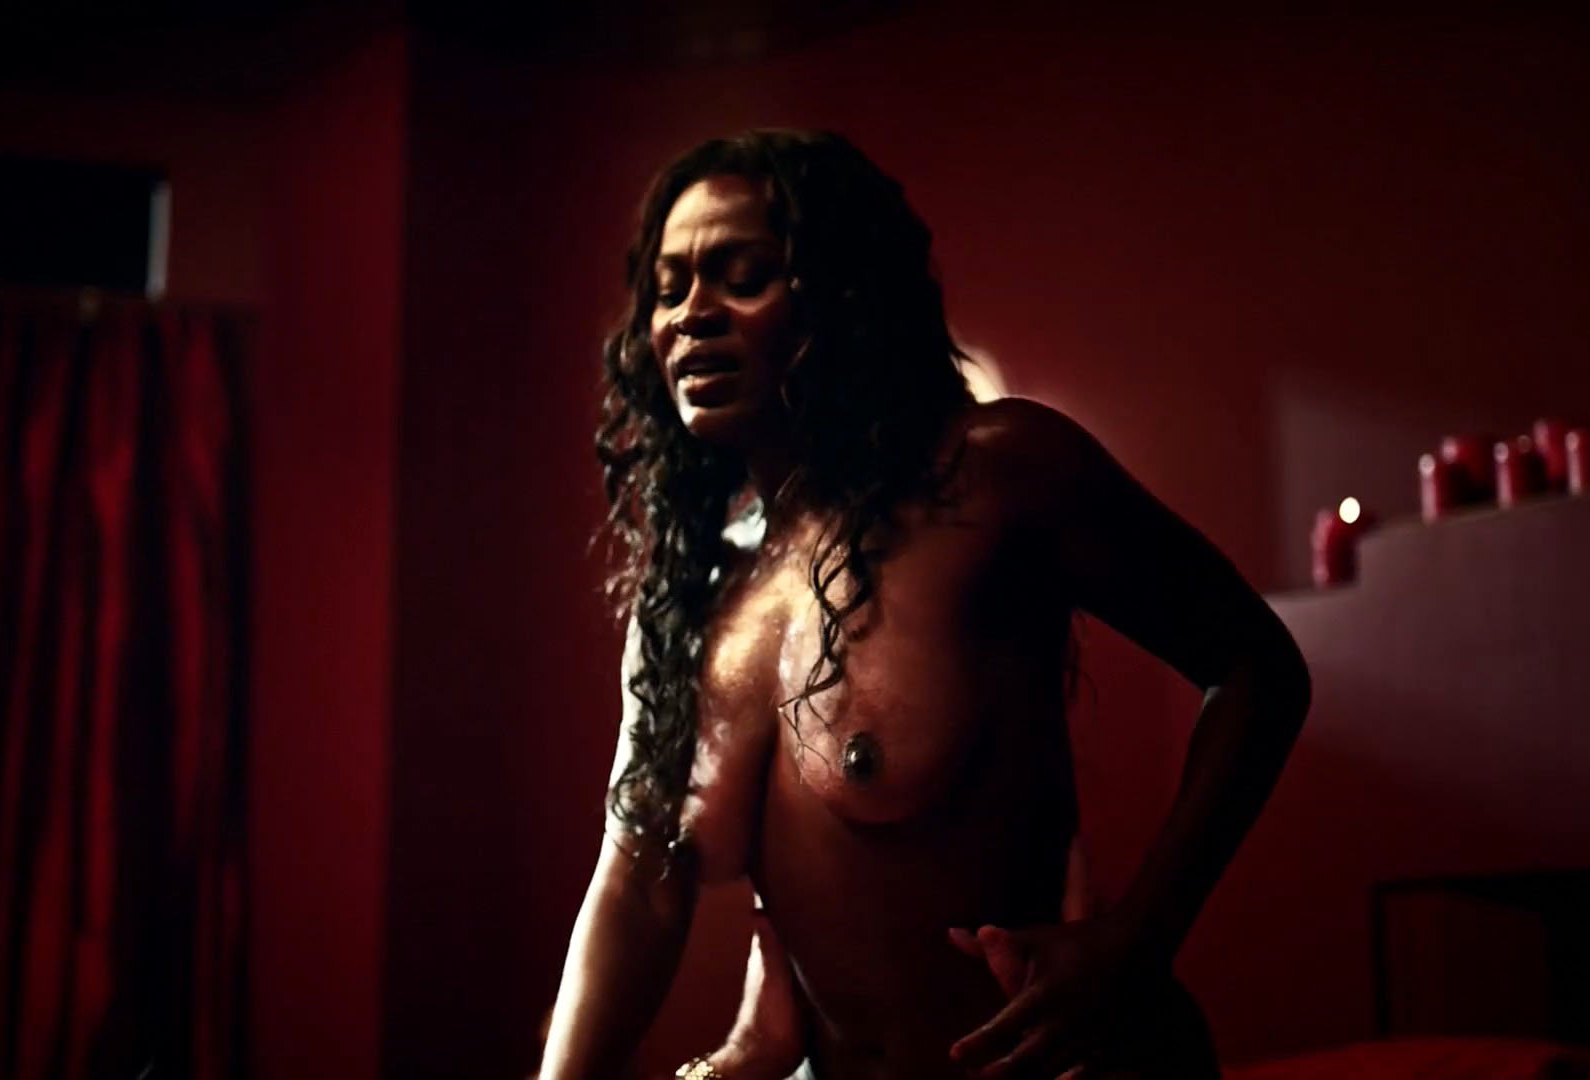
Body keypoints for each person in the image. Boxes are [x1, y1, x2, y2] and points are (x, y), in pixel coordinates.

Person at [538, 130, 1311, 1080]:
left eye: (743, 278)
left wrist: (1138, 938)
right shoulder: (688, 600)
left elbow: (1258, 668)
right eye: (668, 290)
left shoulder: (996, 476)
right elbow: (635, 887)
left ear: (841, 293)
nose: (691, 315)